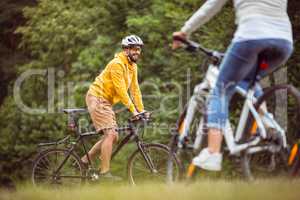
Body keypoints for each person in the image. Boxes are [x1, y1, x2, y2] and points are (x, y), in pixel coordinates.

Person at [172, 0, 293, 171]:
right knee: (247, 80)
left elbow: (211, 6)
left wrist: (184, 31)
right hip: (283, 43)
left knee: (220, 90)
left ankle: (213, 152)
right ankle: (269, 126)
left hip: (250, 37)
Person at [82, 35, 146, 178]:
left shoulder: (133, 66)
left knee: (114, 137)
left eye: (139, 49)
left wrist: (141, 110)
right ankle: (105, 173)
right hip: (97, 97)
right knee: (110, 134)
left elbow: (135, 90)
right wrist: (133, 111)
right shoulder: (117, 64)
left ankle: (85, 160)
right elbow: (121, 90)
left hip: (106, 101)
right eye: (134, 49)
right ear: (126, 50)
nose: (137, 52)